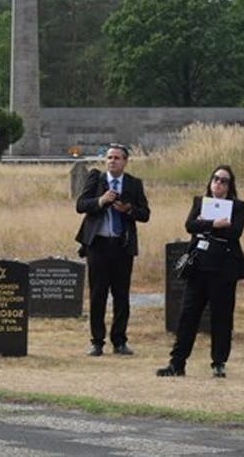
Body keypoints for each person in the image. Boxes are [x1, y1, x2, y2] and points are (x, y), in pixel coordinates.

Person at [157, 165, 244, 378]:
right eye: (215, 178)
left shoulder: (238, 206)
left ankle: (218, 362)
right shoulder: (200, 202)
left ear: (230, 186)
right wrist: (214, 223)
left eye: (224, 180)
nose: (218, 183)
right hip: (198, 268)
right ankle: (177, 363)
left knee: (221, 317)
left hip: (223, 269)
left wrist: (205, 224)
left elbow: (235, 232)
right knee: (188, 315)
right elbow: (190, 225)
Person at [74, 143, 150, 356]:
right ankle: (97, 341)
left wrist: (129, 210)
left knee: (121, 295)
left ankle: (120, 340)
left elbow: (145, 214)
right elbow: (81, 205)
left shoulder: (133, 184)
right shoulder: (96, 179)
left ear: (125, 161)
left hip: (122, 246)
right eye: (109, 157)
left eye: (117, 158)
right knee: (98, 294)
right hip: (98, 244)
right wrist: (101, 200)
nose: (112, 161)